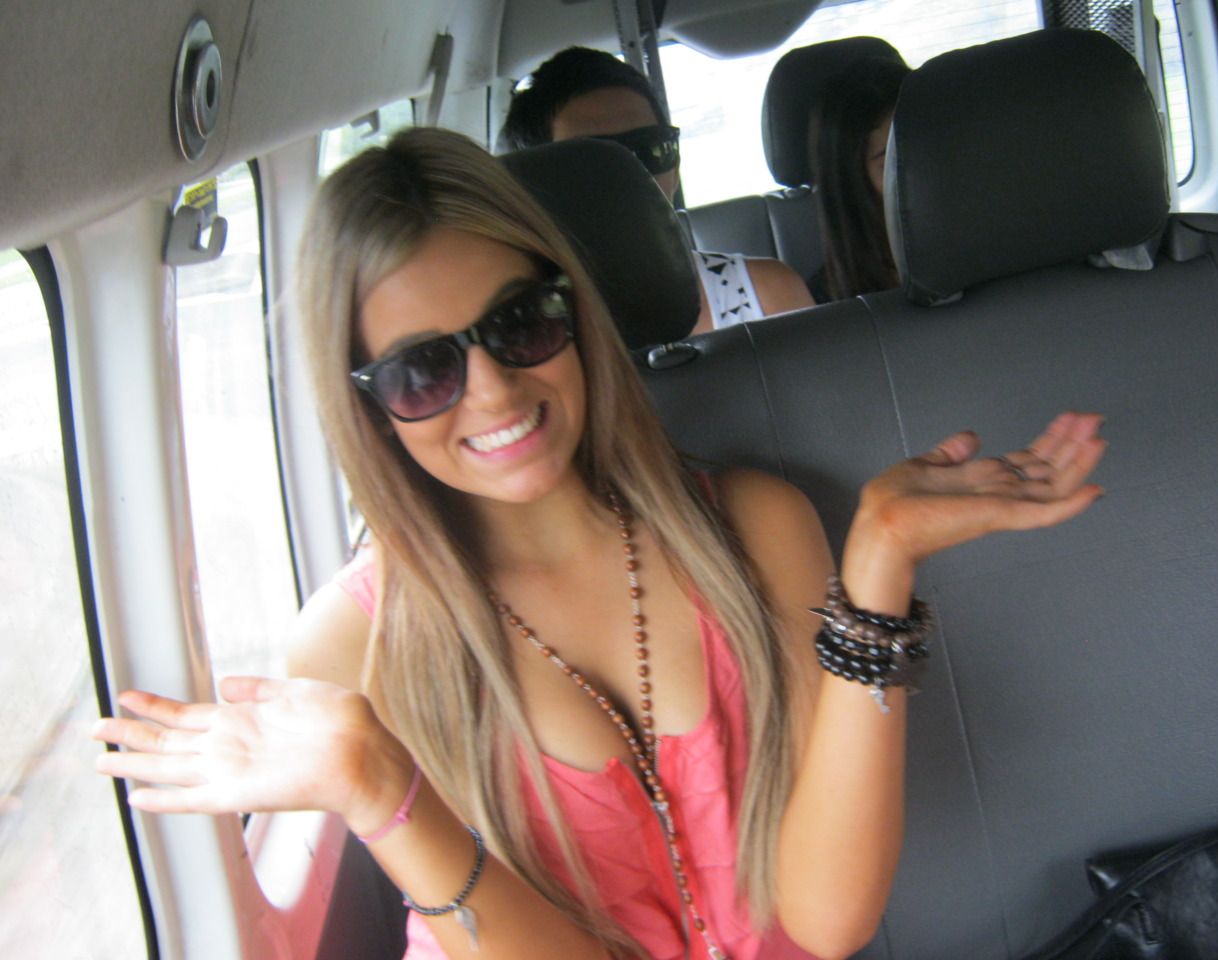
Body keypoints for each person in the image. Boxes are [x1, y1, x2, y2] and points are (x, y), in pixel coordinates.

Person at [92, 127, 1106, 960]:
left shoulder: (754, 529)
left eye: (520, 323)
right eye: (422, 372)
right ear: (367, 407)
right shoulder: (356, 643)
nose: (493, 391)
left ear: (572, 307)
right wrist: (380, 790)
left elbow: (827, 919)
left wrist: (877, 560)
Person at [501, 46, 815, 335]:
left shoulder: (767, 296)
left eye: (651, 149)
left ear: (675, 168)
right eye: (590, 161)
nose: (629, 177)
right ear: (535, 190)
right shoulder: (529, 337)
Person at [809, 56, 912, 302]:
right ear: (851, 184)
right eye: (893, 162)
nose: (921, 171)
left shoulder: (990, 251)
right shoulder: (821, 305)